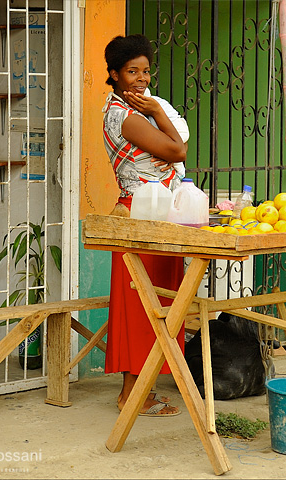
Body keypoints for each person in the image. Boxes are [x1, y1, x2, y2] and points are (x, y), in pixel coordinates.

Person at [102, 34, 187, 417]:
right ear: (115, 74)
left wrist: (156, 109)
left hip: (156, 212)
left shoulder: (133, 110)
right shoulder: (127, 117)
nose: (140, 78)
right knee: (141, 306)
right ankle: (129, 396)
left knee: (160, 301)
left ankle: (140, 392)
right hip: (140, 216)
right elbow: (177, 150)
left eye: (145, 71)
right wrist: (158, 111)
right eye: (131, 71)